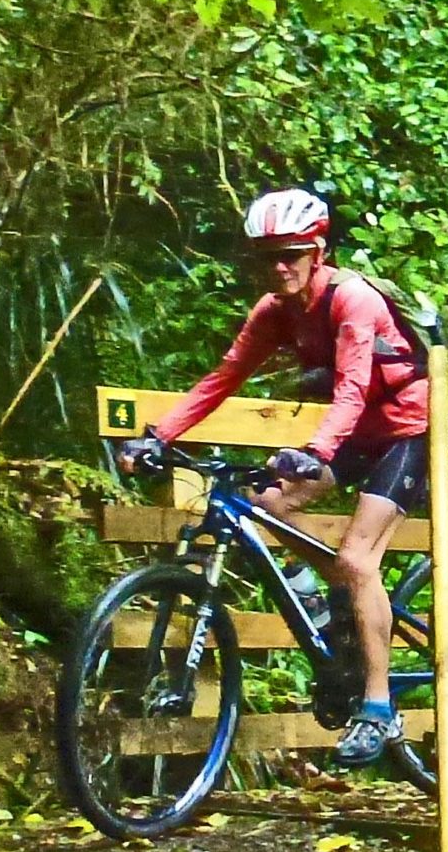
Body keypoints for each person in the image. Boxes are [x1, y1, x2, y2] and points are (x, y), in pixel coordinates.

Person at [116, 189, 431, 768]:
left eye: (291, 254)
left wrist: (314, 451)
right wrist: (158, 437)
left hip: (404, 431)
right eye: (268, 257)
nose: (279, 267)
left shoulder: (353, 300)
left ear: (318, 250)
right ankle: (314, 590)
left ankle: (380, 708)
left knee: (359, 561)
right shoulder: (274, 311)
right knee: (267, 502)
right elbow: (223, 377)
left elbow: (355, 387)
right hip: (355, 433)